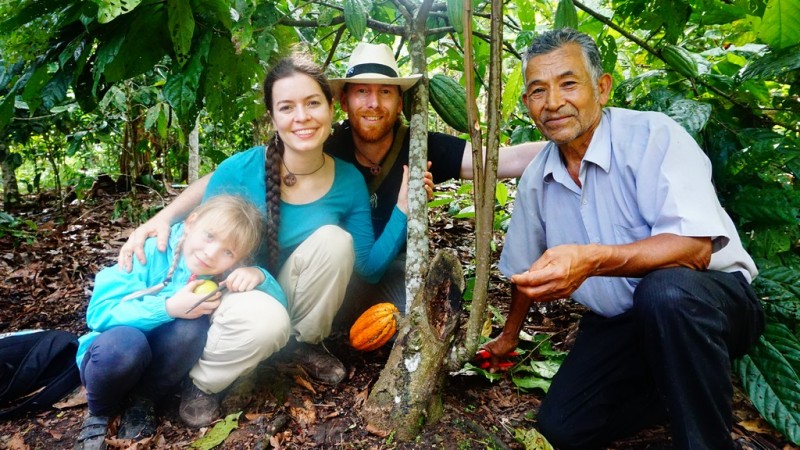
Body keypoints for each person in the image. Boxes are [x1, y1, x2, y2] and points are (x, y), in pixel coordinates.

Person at [480, 28, 764, 450]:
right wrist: (507, 336)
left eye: (569, 83)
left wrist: (593, 259)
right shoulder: (538, 178)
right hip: (622, 323)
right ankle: (668, 391)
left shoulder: (653, 136)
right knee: (562, 427)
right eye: (538, 91)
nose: (553, 103)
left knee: (665, 293)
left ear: (603, 87)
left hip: (710, 302)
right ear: (527, 105)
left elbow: (695, 249)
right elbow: (524, 271)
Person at [118, 51, 409, 428]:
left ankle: (301, 344)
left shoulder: (348, 180)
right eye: (287, 107)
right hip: (231, 296)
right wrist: (159, 222)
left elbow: (368, 269)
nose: (301, 117)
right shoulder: (240, 170)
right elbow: (198, 250)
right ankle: (204, 382)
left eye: (312, 103)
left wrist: (403, 208)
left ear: (331, 109)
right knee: (266, 321)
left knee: (335, 241)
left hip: (284, 291)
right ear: (272, 118)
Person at [324, 42, 546, 320]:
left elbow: (499, 161)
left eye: (385, 92)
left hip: (394, 266)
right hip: (335, 272)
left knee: (413, 326)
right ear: (344, 101)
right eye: (362, 92)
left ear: (399, 102)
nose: (374, 104)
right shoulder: (328, 149)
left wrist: (572, 143)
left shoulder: (419, 146)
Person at [74, 195, 283, 450]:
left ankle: (143, 401)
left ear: (237, 260)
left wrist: (259, 275)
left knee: (192, 329)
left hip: (161, 362)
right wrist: (168, 308)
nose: (211, 253)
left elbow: (280, 306)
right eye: (209, 236)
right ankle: (99, 412)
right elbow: (98, 312)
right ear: (191, 222)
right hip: (116, 354)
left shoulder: (220, 275)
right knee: (125, 344)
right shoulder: (150, 251)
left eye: (228, 251)